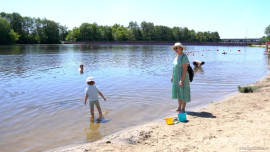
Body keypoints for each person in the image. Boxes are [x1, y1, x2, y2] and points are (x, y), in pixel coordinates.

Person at [171, 42, 191, 113]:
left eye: (177, 47)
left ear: (181, 48)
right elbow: (174, 67)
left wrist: (181, 80)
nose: (175, 49)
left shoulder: (184, 56)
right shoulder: (176, 56)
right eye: (175, 48)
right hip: (176, 77)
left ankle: (183, 109)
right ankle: (179, 108)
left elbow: (185, 69)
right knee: (179, 93)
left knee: (184, 92)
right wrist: (172, 76)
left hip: (183, 77)